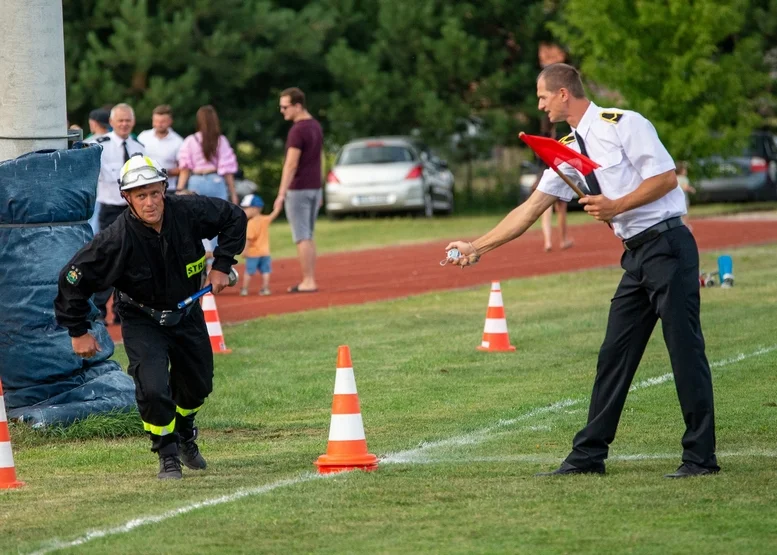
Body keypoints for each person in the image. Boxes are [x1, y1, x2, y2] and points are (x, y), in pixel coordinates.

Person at [444, 63, 719, 479]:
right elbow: (530, 210)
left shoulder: (625, 124)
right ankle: (589, 457)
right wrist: (477, 246)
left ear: (563, 95)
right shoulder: (568, 150)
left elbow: (665, 180)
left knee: (685, 351)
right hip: (637, 258)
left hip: (669, 248)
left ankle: (700, 459)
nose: (539, 105)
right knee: (614, 356)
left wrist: (615, 206)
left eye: (542, 97)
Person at [54, 154, 247, 480]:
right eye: (140, 195)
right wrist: (77, 331)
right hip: (142, 319)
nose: (150, 202)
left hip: (187, 315)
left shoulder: (188, 211)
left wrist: (223, 265)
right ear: (126, 197)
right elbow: (72, 278)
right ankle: (167, 454)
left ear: (164, 188)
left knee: (198, 386)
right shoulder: (116, 239)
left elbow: (234, 217)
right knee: (154, 388)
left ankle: (185, 430)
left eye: (154, 193)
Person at [92, 103, 145, 324]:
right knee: (108, 258)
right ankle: (99, 311)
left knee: (133, 261)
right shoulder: (98, 145)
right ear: (111, 123)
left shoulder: (139, 147)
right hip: (109, 209)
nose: (124, 124)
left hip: (133, 211)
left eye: (127, 120)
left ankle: (124, 310)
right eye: (120, 120)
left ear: (133, 122)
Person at [273, 87, 323, 293]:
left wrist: (281, 193)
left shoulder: (298, 130)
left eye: (285, 107)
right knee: (308, 235)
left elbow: (291, 164)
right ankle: (309, 278)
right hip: (314, 188)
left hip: (299, 189)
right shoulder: (315, 126)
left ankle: (308, 281)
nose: (282, 110)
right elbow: (319, 159)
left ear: (297, 106)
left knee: (301, 235)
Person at [177, 105, 239, 256]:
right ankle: (217, 261)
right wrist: (233, 193)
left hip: (196, 182)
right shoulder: (220, 141)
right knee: (219, 223)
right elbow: (228, 170)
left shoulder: (190, 141)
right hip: (216, 180)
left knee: (197, 222)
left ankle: (203, 257)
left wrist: (179, 190)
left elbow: (185, 168)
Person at [533, 122, 573, 252]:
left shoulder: (538, 140)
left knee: (546, 210)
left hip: (542, 177)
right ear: (554, 127)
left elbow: (538, 158)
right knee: (561, 210)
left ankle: (548, 242)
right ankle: (563, 240)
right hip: (556, 176)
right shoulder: (557, 141)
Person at [239, 194, 282, 296]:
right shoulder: (264, 219)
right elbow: (273, 214)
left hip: (253, 253)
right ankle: (265, 288)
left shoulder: (251, 223)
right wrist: (278, 207)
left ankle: (244, 289)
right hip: (265, 252)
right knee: (265, 271)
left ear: (255, 209)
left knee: (249, 272)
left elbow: (248, 240)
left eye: (246, 208)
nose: (244, 210)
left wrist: (244, 251)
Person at [137, 104, 184, 191]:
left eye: (163, 121)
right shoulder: (143, 137)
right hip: (144, 186)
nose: (159, 124)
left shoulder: (178, 141)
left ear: (170, 121)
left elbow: (183, 168)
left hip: (168, 188)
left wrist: (164, 172)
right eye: (156, 121)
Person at [676, 162, 696, 230]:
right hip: (683, 199)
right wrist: (691, 189)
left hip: (676, 199)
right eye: (685, 170)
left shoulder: (675, 178)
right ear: (681, 171)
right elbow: (685, 187)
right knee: (685, 213)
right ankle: (686, 226)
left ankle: (680, 226)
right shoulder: (684, 178)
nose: (686, 171)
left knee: (678, 214)